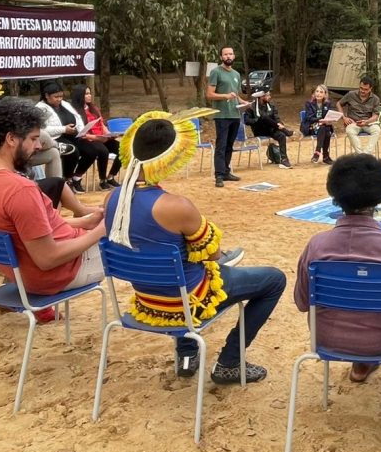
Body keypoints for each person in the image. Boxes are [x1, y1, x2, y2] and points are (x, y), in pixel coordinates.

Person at [106, 111, 282, 382]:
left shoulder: (112, 198)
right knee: (273, 280)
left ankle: (188, 355)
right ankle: (230, 363)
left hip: (147, 300)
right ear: (170, 157)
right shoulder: (176, 206)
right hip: (183, 303)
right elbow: (211, 252)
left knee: (180, 270)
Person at [294, 154, 381, 384]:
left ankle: (360, 366)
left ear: (335, 195)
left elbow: (301, 302)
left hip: (329, 340)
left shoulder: (316, 247)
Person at [0, 98, 107, 297]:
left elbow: (23, 231)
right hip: (60, 273)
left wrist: (84, 221)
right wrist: (100, 231)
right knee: (139, 238)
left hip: (21, 274)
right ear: (11, 139)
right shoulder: (19, 190)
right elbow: (48, 258)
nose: (39, 146)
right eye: (33, 138)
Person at [33, 80, 99, 193]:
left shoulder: (65, 104)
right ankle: (67, 179)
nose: (59, 99)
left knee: (92, 150)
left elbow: (77, 117)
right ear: (47, 96)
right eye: (56, 97)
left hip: (73, 134)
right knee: (73, 152)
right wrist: (64, 129)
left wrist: (80, 130)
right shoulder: (40, 108)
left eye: (61, 96)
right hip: (55, 138)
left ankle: (76, 177)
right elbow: (42, 130)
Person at [206, 46, 250, 188]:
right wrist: (225, 96)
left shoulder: (236, 74)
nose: (228, 56)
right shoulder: (215, 72)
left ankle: (226, 172)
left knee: (230, 145)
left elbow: (235, 95)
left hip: (235, 114)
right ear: (221, 57)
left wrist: (245, 103)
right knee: (221, 145)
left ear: (234, 56)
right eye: (225, 54)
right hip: (222, 115)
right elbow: (209, 94)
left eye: (230, 54)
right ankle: (218, 175)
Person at [70, 84, 121, 189]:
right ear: (79, 95)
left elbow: (101, 124)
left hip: (101, 136)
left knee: (123, 149)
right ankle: (102, 180)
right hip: (88, 139)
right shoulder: (74, 111)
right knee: (102, 151)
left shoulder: (93, 108)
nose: (89, 96)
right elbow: (81, 133)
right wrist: (96, 138)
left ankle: (110, 177)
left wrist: (109, 134)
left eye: (90, 93)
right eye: (86, 94)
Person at [243, 90, 294, 169]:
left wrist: (280, 124)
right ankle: (285, 130)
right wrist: (257, 120)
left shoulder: (271, 106)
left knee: (281, 135)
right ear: (261, 97)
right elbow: (246, 121)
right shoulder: (251, 107)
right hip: (259, 130)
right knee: (264, 117)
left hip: (271, 129)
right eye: (267, 95)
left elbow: (277, 119)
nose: (269, 97)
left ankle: (284, 160)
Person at [338, 76, 381, 154]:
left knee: (377, 130)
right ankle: (361, 154)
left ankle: (366, 154)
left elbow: (375, 116)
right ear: (359, 86)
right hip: (353, 123)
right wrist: (344, 117)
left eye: (365, 89)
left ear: (370, 89)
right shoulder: (351, 94)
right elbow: (338, 103)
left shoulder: (376, 99)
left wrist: (367, 122)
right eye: (361, 88)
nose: (362, 91)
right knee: (349, 131)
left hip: (368, 123)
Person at [301, 84, 336, 165]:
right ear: (314, 93)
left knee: (325, 128)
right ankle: (324, 155)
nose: (318, 94)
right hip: (311, 126)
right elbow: (309, 118)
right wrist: (320, 120)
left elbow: (329, 115)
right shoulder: (309, 103)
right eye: (317, 91)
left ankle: (318, 154)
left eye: (321, 92)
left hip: (323, 126)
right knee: (324, 128)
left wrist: (330, 120)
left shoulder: (328, 104)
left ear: (325, 94)